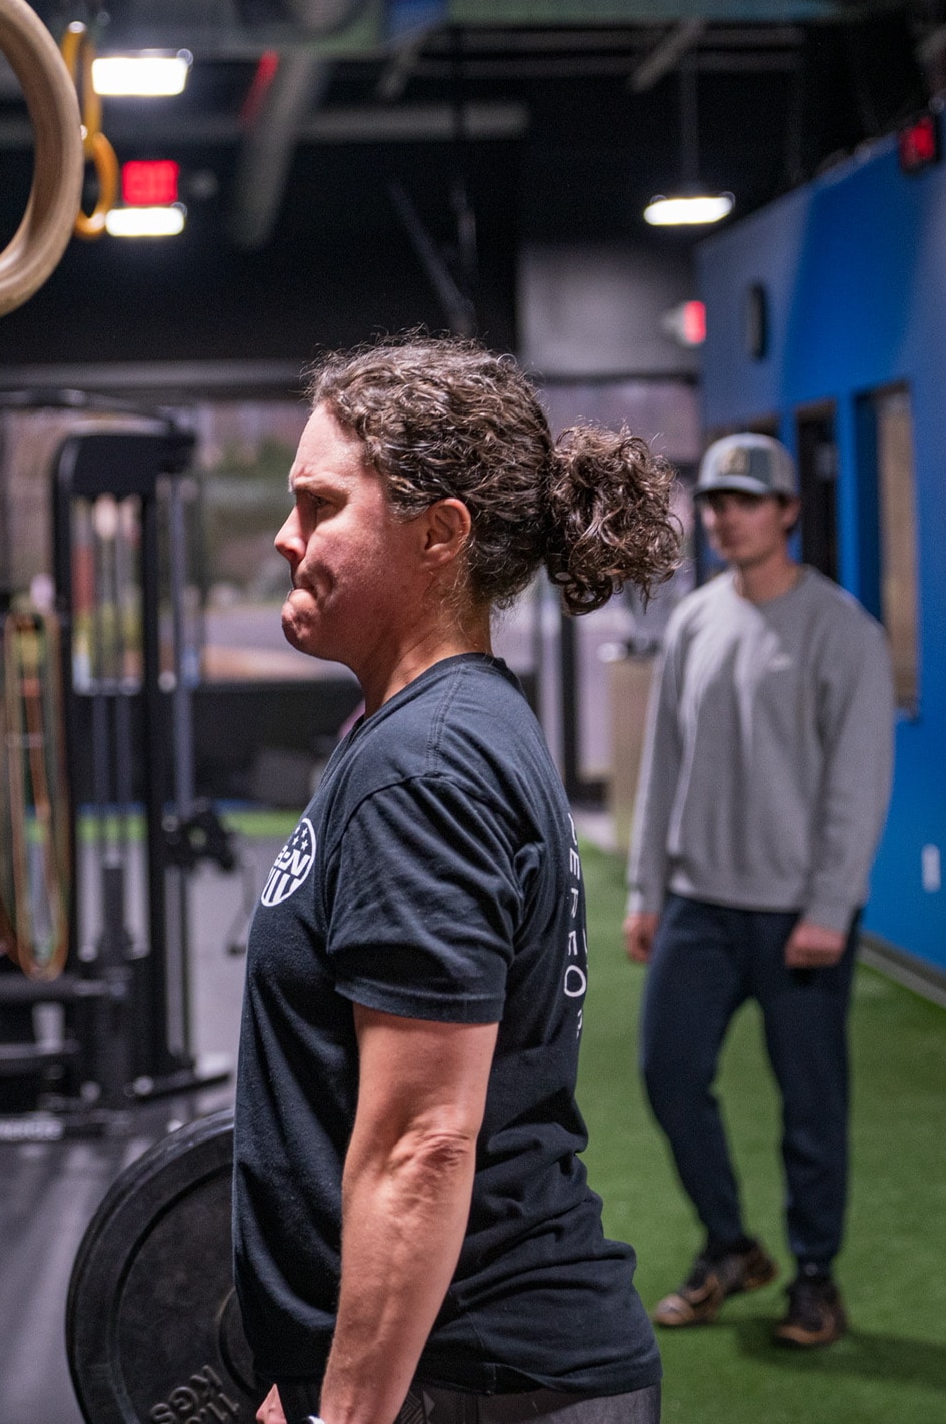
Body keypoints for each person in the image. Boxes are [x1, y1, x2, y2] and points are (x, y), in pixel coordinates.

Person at [237, 339, 678, 1424]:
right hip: (447, 1373)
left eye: (320, 503)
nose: (285, 536)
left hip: (481, 1384)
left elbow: (424, 1142)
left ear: (439, 535)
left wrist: (346, 1413)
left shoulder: (426, 768)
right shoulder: (443, 727)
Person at [625, 433, 893, 1350]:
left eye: (744, 500)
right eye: (713, 501)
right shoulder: (694, 620)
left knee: (810, 1103)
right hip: (700, 901)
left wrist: (829, 908)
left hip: (797, 917)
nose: (724, 516)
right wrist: (644, 889)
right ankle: (729, 1246)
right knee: (667, 1072)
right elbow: (662, 764)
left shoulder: (842, 631)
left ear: (786, 512)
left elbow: (856, 785)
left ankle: (814, 1277)